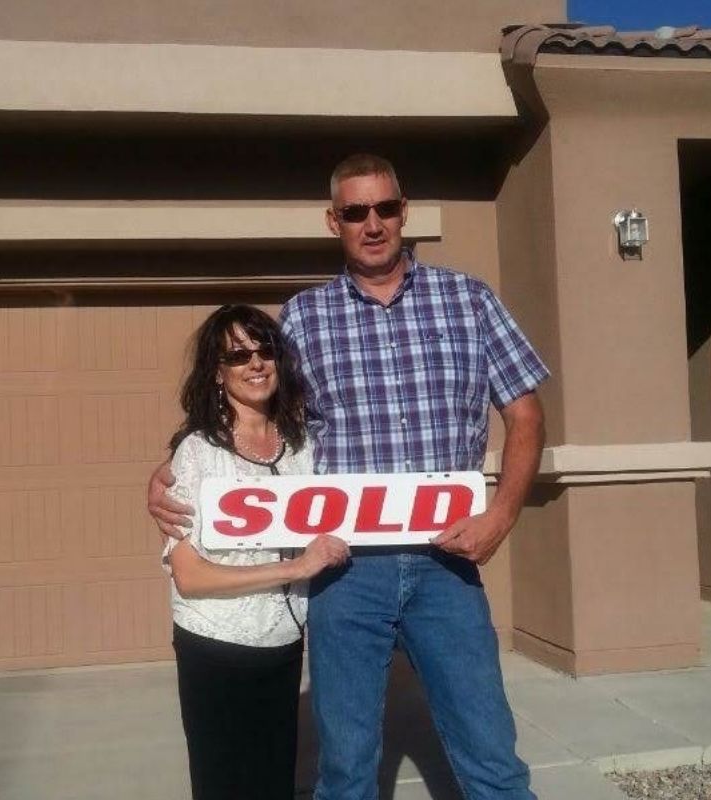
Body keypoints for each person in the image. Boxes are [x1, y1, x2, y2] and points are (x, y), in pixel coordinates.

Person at [151, 154, 547, 800]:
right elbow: (252, 408)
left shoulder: (470, 300)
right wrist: (173, 467)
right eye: (356, 211)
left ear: (403, 212)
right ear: (333, 221)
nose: (373, 223)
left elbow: (525, 414)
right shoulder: (302, 319)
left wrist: (501, 515)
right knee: (347, 767)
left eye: (385, 208)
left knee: (490, 755)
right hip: (345, 570)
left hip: (446, 563)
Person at [162, 303, 351, 800]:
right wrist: (296, 567)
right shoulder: (198, 452)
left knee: (273, 783)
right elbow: (190, 576)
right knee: (223, 785)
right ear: (217, 372)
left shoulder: (304, 447)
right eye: (238, 355)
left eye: (265, 350)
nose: (255, 363)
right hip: (214, 645)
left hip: (284, 646)